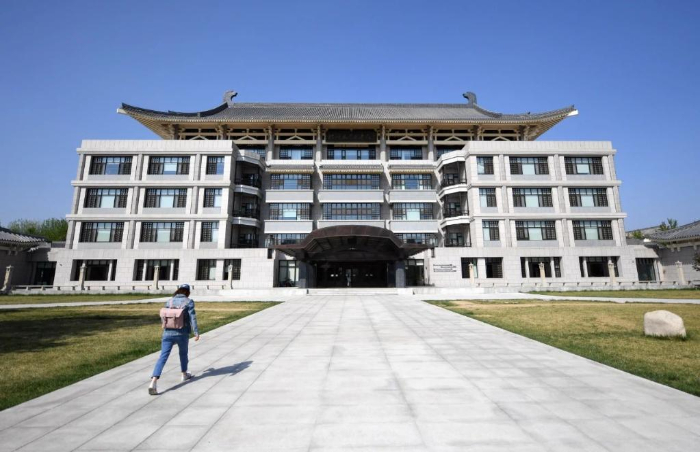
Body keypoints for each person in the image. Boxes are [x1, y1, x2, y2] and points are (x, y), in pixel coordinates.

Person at [148, 283, 200, 395]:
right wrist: (196, 332)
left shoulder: (169, 301)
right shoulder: (189, 302)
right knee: (183, 354)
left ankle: (153, 381)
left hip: (167, 333)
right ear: (187, 292)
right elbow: (193, 318)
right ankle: (184, 374)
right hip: (182, 333)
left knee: (163, 356)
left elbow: (164, 316)